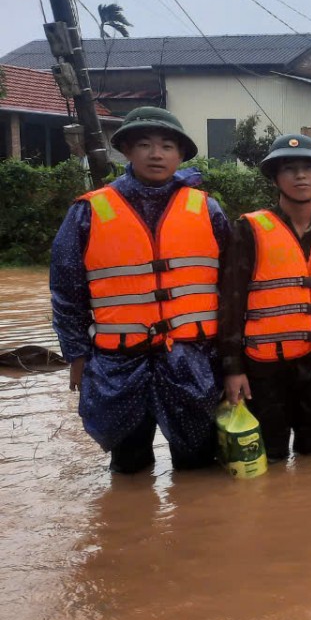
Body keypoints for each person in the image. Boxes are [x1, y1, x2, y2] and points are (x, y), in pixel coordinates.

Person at [50, 106, 230, 473]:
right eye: (144, 144)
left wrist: (232, 360)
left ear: (180, 155)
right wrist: (77, 355)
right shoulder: (88, 212)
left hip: (191, 359)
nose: (156, 154)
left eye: (167, 146)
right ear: (127, 151)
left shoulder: (207, 209)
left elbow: (231, 287)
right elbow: (67, 291)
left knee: (197, 466)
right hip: (118, 362)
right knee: (129, 468)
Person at [218, 134, 311, 462]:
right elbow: (231, 300)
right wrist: (232, 369)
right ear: (275, 177)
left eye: (308, 169)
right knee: (268, 457)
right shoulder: (249, 229)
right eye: (290, 169)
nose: (300, 176)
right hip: (264, 369)